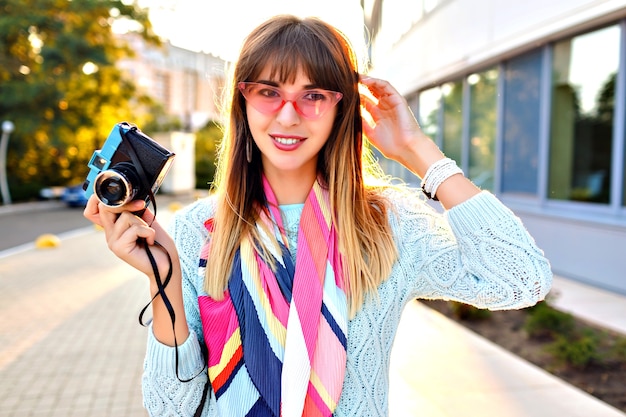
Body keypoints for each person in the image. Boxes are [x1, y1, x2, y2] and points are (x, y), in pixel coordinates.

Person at [84, 14, 552, 417]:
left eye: (313, 95)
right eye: (269, 91)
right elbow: (170, 409)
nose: (288, 116)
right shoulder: (198, 230)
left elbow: (521, 278)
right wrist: (162, 282)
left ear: (339, 108)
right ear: (243, 103)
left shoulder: (387, 225)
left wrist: (420, 152)